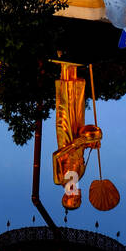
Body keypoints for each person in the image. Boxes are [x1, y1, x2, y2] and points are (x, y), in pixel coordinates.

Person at [52, 61, 102, 209]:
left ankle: (66, 68)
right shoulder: (80, 175)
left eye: (71, 198)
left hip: (66, 139)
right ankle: (74, 68)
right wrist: (91, 144)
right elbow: (82, 153)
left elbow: (55, 156)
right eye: (77, 198)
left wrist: (73, 144)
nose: (75, 195)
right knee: (77, 108)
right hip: (78, 136)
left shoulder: (59, 179)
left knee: (66, 108)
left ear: (66, 195)